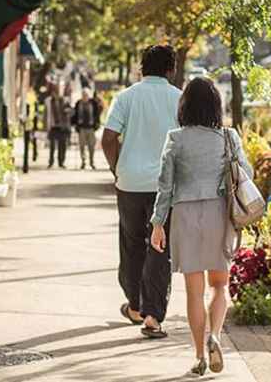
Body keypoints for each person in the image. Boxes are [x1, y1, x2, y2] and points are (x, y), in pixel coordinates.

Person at [149, 77, 252, 376]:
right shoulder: (229, 137)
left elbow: (165, 185)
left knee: (194, 292)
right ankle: (215, 337)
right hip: (219, 214)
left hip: (184, 215)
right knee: (219, 285)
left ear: (185, 106)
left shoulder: (175, 138)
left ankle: (198, 356)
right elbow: (246, 172)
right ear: (216, 106)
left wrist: (158, 223)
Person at [101, 45, 181, 339]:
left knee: (131, 244)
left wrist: (117, 168)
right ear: (171, 70)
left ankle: (135, 303)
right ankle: (152, 315)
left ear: (141, 68)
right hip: (165, 186)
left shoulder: (126, 97)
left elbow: (108, 138)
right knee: (159, 249)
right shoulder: (179, 99)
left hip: (130, 183)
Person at [73, 88, 103, 170]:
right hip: (82, 128)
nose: (84, 96)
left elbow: (98, 113)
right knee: (82, 146)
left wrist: (97, 124)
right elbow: (75, 115)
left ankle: (92, 162)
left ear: (88, 96)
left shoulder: (93, 103)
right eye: (83, 95)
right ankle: (83, 162)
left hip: (91, 128)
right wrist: (75, 124)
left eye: (86, 95)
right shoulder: (78, 103)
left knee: (91, 146)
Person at [44, 86, 73, 169]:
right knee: (52, 146)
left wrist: (68, 111)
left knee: (62, 146)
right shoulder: (48, 101)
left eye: (55, 93)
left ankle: (61, 162)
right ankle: (51, 162)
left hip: (62, 126)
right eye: (53, 93)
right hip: (53, 126)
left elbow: (71, 111)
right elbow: (46, 114)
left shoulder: (64, 100)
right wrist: (45, 125)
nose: (54, 94)